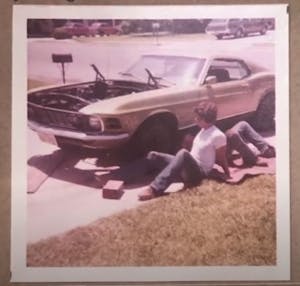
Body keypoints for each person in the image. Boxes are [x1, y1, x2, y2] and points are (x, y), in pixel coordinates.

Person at [138, 100, 230, 201]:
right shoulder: (203, 130)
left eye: (198, 118)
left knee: (183, 153)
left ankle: (154, 189)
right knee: (153, 155)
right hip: (189, 166)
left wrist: (227, 172)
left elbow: (221, 157)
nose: (195, 120)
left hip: (199, 173)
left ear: (207, 119)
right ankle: (122, 177)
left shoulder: (218, 135)